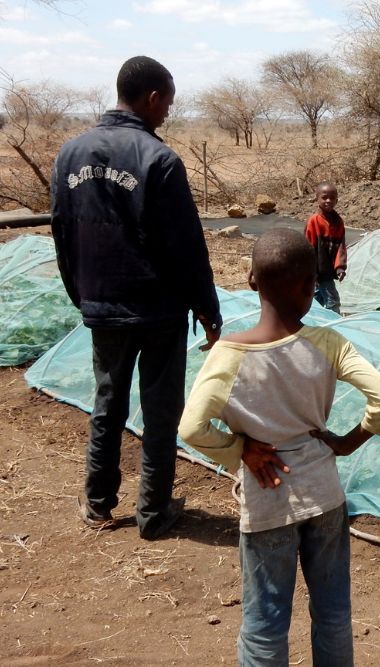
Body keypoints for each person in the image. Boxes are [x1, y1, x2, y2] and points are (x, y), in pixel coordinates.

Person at [178, 228, 380, 666]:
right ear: (308, 287)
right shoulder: (328, 344)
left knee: (266, 625)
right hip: (324, 495)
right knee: (333, 614)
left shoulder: (228, 353)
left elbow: (191, 428)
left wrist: (239, 448)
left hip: (269, 499)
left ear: (251, 280)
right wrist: (349, 442)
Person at [50, 55, 222, 540]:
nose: (167, 110)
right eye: (167, 101)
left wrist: (81, 294)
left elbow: (62, 232)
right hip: (159, 310)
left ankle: (99, 504)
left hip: (103, 306)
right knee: (161, 408)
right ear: (151, 98)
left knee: (108, 401)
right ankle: (153, 512)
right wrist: (208, 309)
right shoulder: (159, 160)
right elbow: (186, 246)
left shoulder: (69, 154)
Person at [304, 181, 347, 313]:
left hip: (328, 270)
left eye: (332, 198)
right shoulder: (314, 221)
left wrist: (340, 267)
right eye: (324, 197)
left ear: (337, 200)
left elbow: (341, 246)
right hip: (317, 270)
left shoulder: (338, 222)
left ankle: (313, 322)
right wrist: (311, 271)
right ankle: (334, 326)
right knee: (332, 300)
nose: (328, 201)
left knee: (316, 300)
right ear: (317, 199)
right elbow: (308, 247)